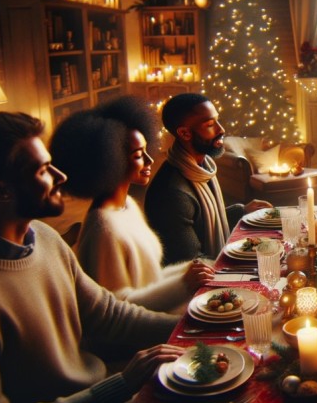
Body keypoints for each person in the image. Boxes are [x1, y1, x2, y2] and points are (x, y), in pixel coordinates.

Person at [0, 112, 184, 403]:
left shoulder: (44, 237)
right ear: (0, 191)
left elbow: (110, 314)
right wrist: (120, 386)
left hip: (108, 398)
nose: (60, 176)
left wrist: (195, 327)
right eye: (42, 170)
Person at [49, 96, 215, 313]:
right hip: (142, 336)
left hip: (165, 313)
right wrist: (183, 283)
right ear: (109, 161)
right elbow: (116, 310)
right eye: (138, 155)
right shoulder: (103, 229)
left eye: (146, 150)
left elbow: (149, 280)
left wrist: (193, 270)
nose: (149, 160)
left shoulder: (127, 205)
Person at [145, 93, 271, 265]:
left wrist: (242, 211)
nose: (221, 129)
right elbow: (193, 262)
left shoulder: (202, 166)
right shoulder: (172, 193)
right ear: (184, 133)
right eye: (210, 124)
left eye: (217, 120)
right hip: (193, 286)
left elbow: (202, 225)